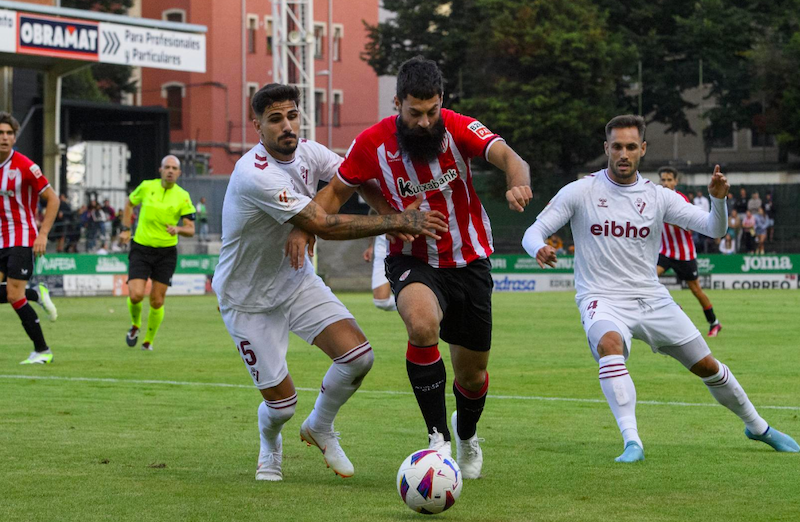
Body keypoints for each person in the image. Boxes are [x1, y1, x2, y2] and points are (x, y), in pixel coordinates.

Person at [287, 57, 532, 479]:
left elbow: (510, 156)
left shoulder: (457, 127)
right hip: (412, 260)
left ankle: (466, 433)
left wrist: (517, 180)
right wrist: (305, 228)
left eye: (431, 111)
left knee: (472, 377)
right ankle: (437, 439)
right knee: (421, 326)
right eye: (414, 112)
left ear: (442, 103)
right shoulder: (371, 144)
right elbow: (335, 192)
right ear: (397, 103)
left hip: (470, 261)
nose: (423, 122)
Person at [522, 114, 798, 462]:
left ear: (643, 150)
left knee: (708, 367)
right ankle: (632, 442)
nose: (624, 153)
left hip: (652, 299)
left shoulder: (659, 197)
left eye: (631, 147)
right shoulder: (581, 191)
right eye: (617, 146)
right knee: (610, 345)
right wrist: (539, 247)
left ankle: (758, 427)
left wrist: (718, 201)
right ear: (606, 148)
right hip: (601, 298)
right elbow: (532, 231)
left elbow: (714, 229)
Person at [212, 84, 447, 481]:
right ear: (257, 127)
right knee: (282, 406)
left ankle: (319, 426)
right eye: (275, 119)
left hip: (296, 281)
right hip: (246, 299)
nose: (287, 126)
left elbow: (354, 178)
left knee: (359, 357)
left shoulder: (308, 151)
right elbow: (322, 223)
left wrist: (391, 212)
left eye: (292, 116)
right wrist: (397, 221)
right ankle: (270, 445)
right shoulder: (254, 175)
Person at [119, 155, 196, 351]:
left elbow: (191, 229)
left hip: (166, 253)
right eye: (167, 167)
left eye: (174, 168)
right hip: (141, 248)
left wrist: (178, 229)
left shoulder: (183, 196)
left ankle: (148, 341)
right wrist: (126, 229)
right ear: (160, 170)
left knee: (157, 300)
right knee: (136, 295)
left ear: (179, 173)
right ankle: (135, 325)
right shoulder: (146, 187)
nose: (170, 171)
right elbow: (129, 204)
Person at [0, 111, 59, 364]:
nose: (4, 138)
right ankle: (35, 294)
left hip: (23, 237)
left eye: (9, 134)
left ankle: (43, 350)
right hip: (1, 239)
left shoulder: (25, 166)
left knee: (14, 295)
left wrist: (42, 234)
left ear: (15, 138)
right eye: (0, 133)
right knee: (17, 294)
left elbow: (53, 199)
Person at [656, 167, 722, 337]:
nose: (666, 183)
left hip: (685, 254)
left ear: (676, 182)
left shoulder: (681, 199)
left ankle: (714, 322)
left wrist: (664, 217)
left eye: (669, 180)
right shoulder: (655, 198)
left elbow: (685, 224)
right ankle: (671, 306)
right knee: (648, 278)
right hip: (665, 251)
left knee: (696, 290)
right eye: (663, 180)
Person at [363, 232, 396, 311]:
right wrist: (370, 245)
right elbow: (372, 220)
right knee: (381, 301)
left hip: (409, 250)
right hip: (382, 249)